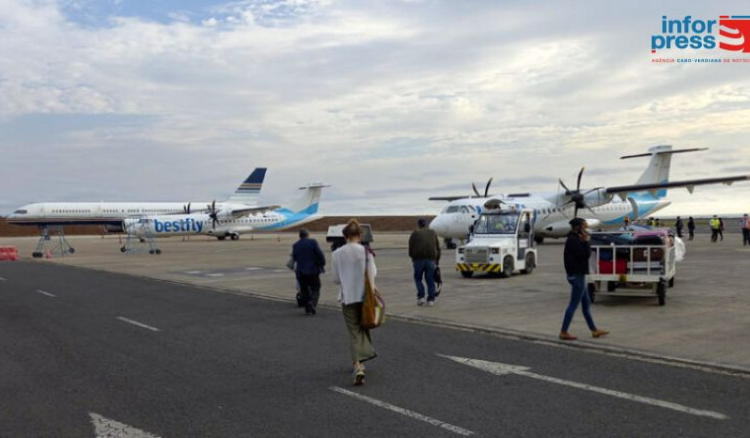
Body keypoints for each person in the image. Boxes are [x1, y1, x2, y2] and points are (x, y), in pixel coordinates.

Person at [332, 220, 378, 386]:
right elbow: (373, 274)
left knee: (353, 331)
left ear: (344, 236)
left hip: (348, 297)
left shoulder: (337, 254)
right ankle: (362, 358)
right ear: (360, 235)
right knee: (364, 326)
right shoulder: (366, 252)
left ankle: (357, 365)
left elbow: (336, 279)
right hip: (365, 297)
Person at [559, 218, 608, 341]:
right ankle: (563, 332)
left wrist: (584, 241)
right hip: (577, 276)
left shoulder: (575, 239)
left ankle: (594, 330)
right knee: (573, 305)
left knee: (586, 304)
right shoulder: (573, 240)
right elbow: (585, 255)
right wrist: (586, 242)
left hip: (579, 275)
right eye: (584, 226)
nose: (586, 229)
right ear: (578, 227)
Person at [292, 229, 326, 315]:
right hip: (313, 270)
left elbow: (295, 258)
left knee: (304, 290)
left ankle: (308, 304)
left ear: (299, 236)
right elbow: (319, 254)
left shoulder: (295, 245)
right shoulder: (313, 242)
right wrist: (322, 263)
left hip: (301, 272)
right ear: (308, 235)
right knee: (316, 288)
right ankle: (312, 303)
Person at [408, 218, 441, 307]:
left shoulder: (415, 233)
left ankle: (421, 297)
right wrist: (437, 260)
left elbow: (411, 247)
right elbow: (437, 247)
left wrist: (412, 257)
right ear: (425, 224)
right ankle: (431, 299)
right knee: (430, 279)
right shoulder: (432, 233)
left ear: (418, 225)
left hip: (418, 259)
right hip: (431, 259)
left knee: (418, 278)